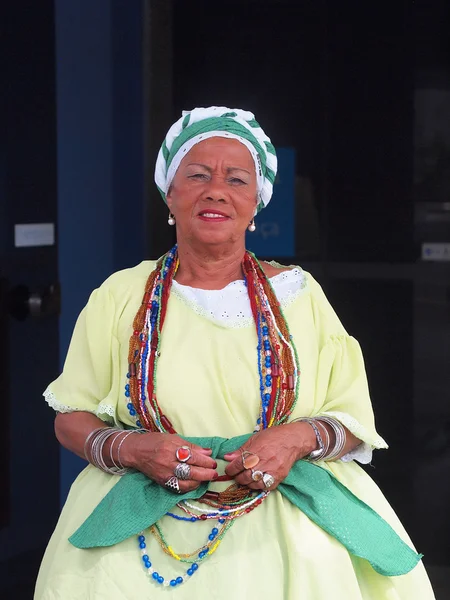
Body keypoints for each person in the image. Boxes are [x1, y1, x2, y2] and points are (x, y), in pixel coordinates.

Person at [35, 106, 435, 599]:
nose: (216, 190)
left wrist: (293, 439)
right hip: (141, 526)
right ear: (170, 193)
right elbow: (71, 414)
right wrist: (136, 449)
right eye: (197, 175)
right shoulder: (121, 296)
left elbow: (352, 422)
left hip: (286, 528)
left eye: (237, 179)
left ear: (256, 201)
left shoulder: (300, 297)